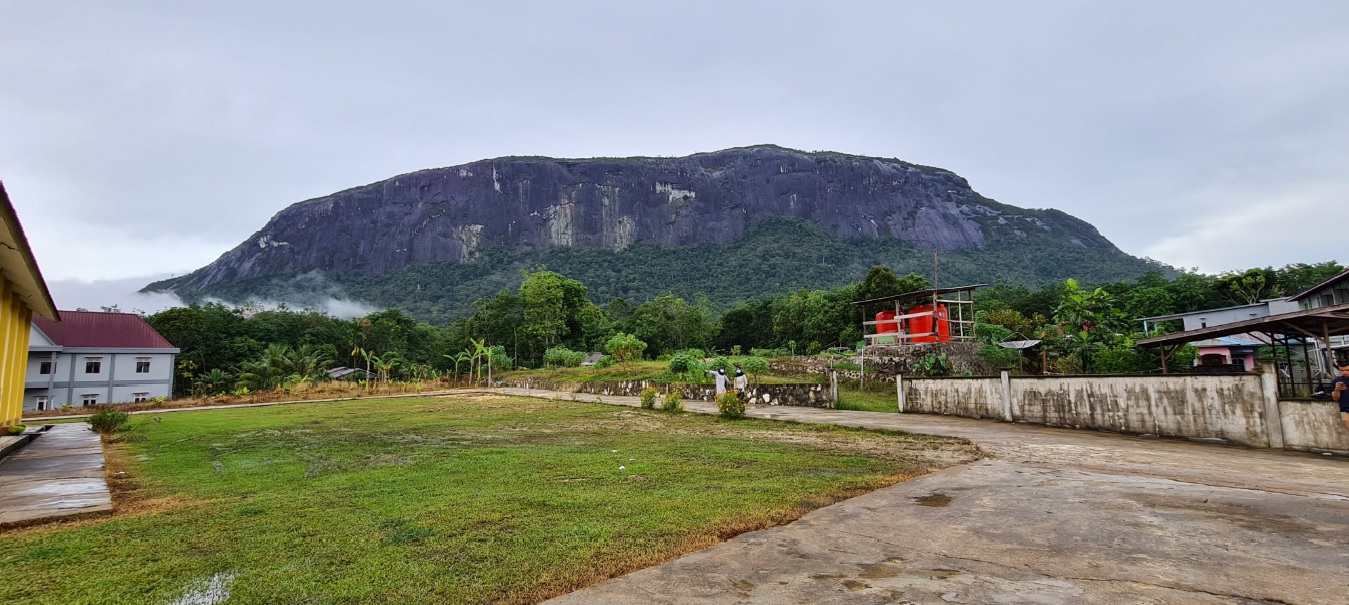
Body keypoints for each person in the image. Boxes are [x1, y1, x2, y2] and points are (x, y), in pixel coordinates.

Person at [1333, 361, 1349, 432]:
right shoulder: (1337, 381)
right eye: (1342, 370)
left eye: (1347, 370)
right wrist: (1337, 390)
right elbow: (1336, 398)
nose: (1345, 372)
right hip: (1345, 411)